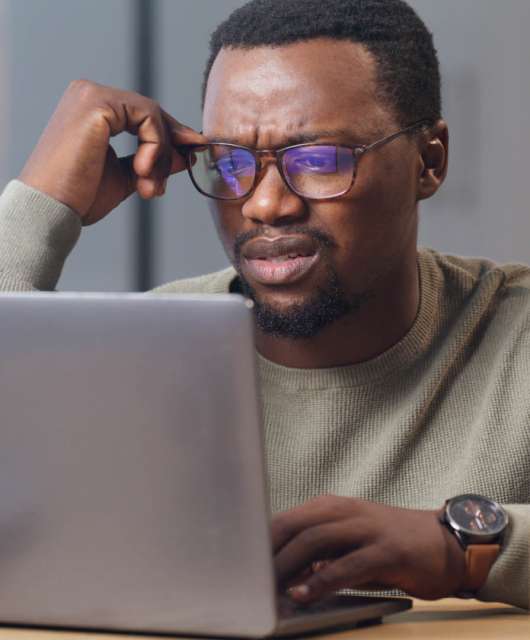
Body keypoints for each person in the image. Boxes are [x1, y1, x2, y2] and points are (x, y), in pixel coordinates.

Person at [0, 0, 528, 610]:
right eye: (230, 162)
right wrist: (38, 206)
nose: (265, 205)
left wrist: (462, 550)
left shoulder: (516, 334)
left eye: (319, 160)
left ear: (429, 161)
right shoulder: (139, 356)